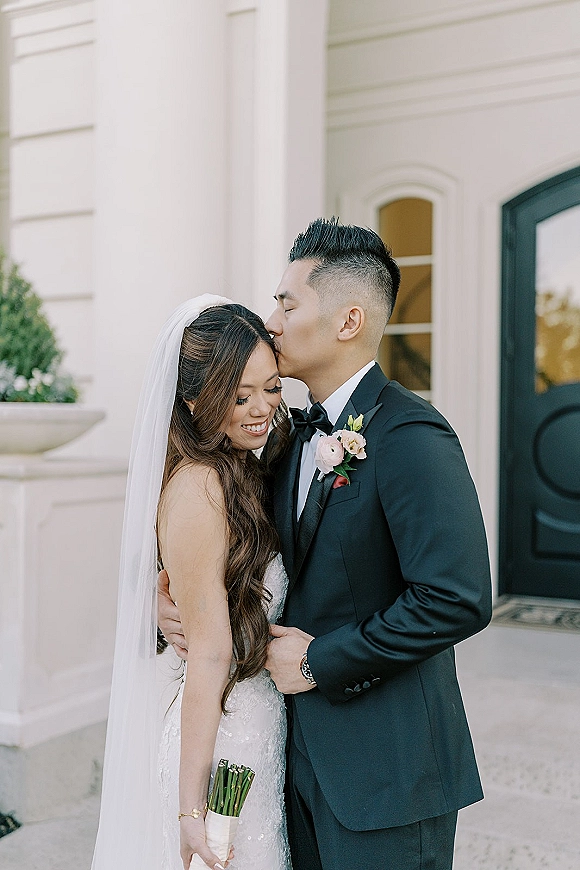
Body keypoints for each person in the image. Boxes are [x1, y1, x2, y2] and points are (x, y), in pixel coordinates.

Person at [159, 218, 493, 870]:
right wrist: (173, 605)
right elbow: (226, 548)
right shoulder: (282, 435)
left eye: (287, 302)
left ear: (346, 322)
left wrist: (321, 662)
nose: (272, 319)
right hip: (292, 765)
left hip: (387, 775)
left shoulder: (413, 436)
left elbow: (457, 598)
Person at [91, 297, 292, 870]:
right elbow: (208, 655)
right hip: (222, 738)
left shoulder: (245, 462)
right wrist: (189, 813)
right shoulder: (200, 488)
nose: (260, 410)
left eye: (271, 388)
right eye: (238, 395)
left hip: (258, 722)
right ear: (193, 398)